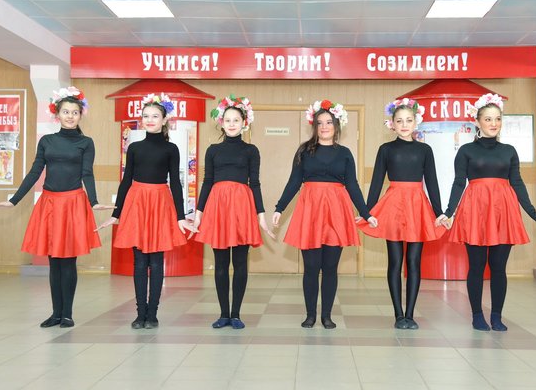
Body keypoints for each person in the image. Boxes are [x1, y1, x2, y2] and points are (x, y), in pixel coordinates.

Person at [0, 86, 112, 328]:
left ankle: (67, 314)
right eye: (66, 112)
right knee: (54, 261)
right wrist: (14, 200)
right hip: (49, 204)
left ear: (80, 115)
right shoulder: (47, 141)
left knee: (68, 261)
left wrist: (94, 201)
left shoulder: (86, 143)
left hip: (73, 204)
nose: (70, 116)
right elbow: (35, 172)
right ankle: (56, 313)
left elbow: (87, 173)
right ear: (57, 114)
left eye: (74, 112)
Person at [436, 93, 536, 332]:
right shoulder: (466, 150)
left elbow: (517, 183)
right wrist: (449, 211)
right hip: (475, 211)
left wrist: (534, 213)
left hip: (503, 211)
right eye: (488, 119)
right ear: (477, 122)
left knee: (498, 267)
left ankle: (497, 316)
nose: (493, 123)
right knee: (477, 266)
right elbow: (458, 183)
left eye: (497, 119)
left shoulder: (509, 150)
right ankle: (477, 315)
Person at [272, 99, 377, 329]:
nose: (324, 127)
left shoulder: (345, 153)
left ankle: (326, 316)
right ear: (314, 126)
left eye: (329, 122)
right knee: (311, 267)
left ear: (337, 125)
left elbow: (352, 185)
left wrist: (366, 213)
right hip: (310, 210)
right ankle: (310, 315)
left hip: (336, 212)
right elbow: (294, 181)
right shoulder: (304, 151)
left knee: (330, 267)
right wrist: (279, 207)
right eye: (320, 123)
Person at [97, 93, 188, 329]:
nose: (149, 120)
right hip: (137, 203)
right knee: (139, 262)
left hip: (159, 203)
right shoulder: (134, 147)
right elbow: (126, 180)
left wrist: (180, 216)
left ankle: (153, 313)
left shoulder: (171, 148)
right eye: (146, 116)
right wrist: (116, 214)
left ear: (164, 119)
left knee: (156, 261)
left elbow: (175, 183)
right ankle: (140, 314)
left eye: (155, 116)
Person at [358, 98, 446, 330]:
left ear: (416, 122)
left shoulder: (425, 150)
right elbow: (377, 182)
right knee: (395, 261)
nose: (404, 125)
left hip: (417, 205)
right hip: (394, 206)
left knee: (414, 261)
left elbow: (432, 182)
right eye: (399, 121)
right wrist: (367, 212)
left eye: (408, 120)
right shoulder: (385, 149)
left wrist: (439, 212)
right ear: (392, 124)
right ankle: (398, 314)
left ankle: (410, 314)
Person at [187, 95, 274, 330]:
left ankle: (236, 314)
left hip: (242, 207)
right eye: (228, 120)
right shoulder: (213, 150)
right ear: (221, 123)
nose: (232, 124)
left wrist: (261, 215)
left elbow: (255, 183)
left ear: (244, 123)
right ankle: (223, 314)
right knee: (221, 263)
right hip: (218, 207)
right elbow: (207, 182)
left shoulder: (251, 150)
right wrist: (198, 214)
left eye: (236, 120)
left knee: (241, 263)